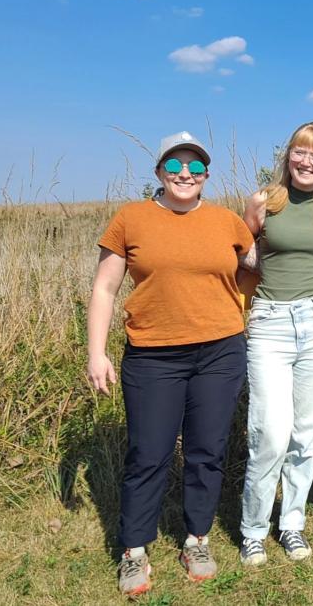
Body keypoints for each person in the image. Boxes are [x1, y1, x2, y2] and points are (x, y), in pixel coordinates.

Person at [85, 131, 253, 596]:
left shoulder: (225, 222)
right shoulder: (131, 219)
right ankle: (134, 549)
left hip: (221, 351)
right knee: (149, 454)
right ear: (159, 171)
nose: (186, 174)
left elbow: (256, 266)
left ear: (206, 176)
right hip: (153, 355)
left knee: (207, 451)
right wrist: (95, 353)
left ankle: (196, 539)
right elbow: (104, 288)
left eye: (196, 167)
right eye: (176, 166)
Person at [237, 123, 313, 565]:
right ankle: (253, 530)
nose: (306, 162)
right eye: (300, 152)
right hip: (270, 324)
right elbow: (240, 258)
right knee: (269, 435)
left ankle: (292, 525)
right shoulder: (264, 202)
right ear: (288, 156)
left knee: (304, 436)